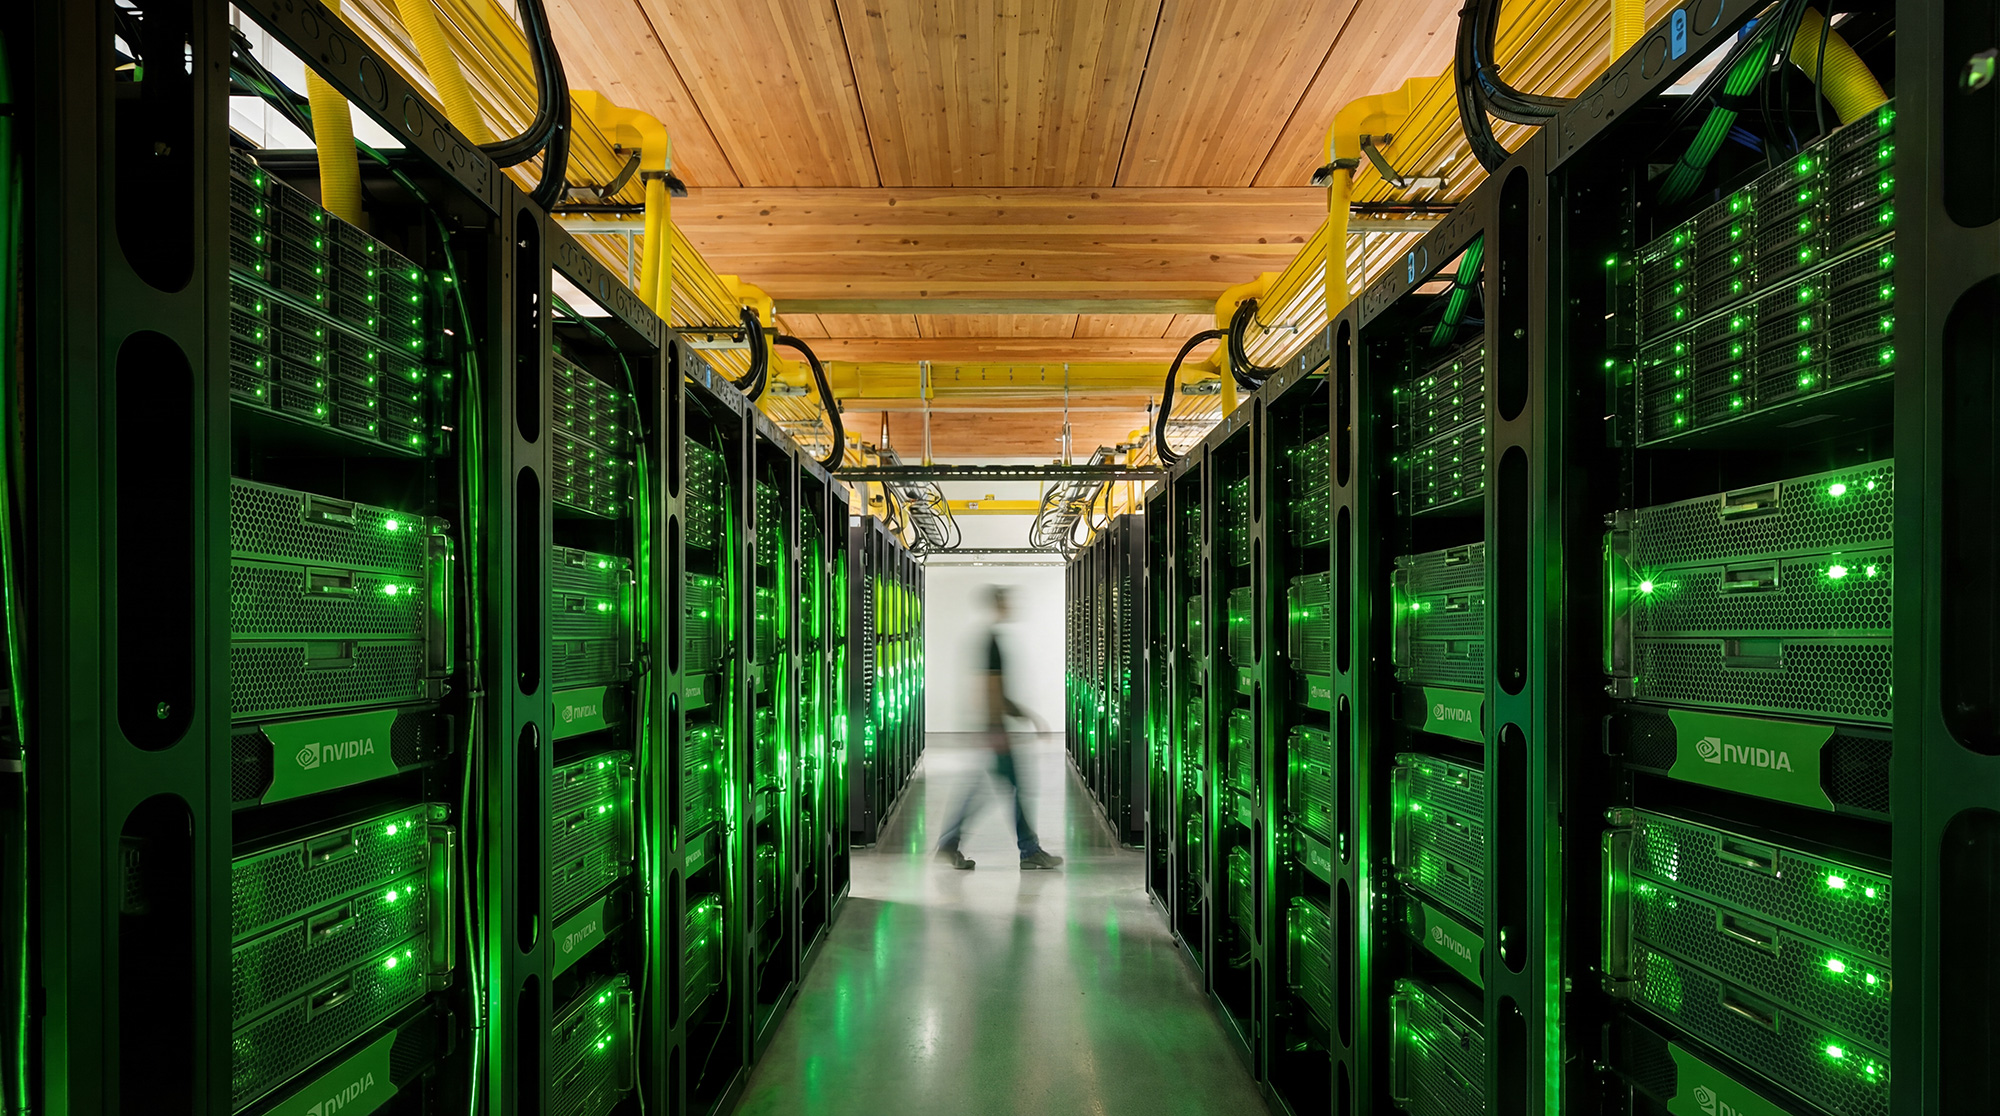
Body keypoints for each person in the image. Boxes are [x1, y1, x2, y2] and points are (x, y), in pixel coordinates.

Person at [934, 586, 1065, 870]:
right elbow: (992, 688)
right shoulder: (991, 642)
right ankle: (1028, 850)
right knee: (1015, 787)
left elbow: (995, 690)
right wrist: (999, 727)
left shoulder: (989, 639)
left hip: (994, 726)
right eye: (1007, 601)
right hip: (996, 728)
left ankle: (950, 842)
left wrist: (1025, 716)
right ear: (999, 604)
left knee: (986, 787)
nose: (1012, 606)